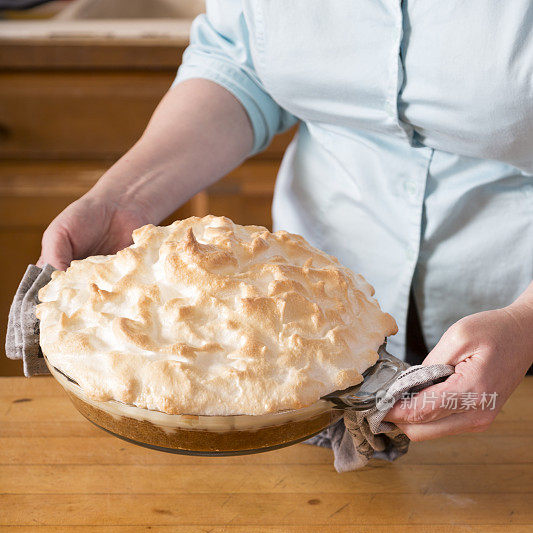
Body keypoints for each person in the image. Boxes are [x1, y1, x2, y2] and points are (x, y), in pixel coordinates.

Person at [37, 1, 533, 442]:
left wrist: (525, 324)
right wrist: (124, 199)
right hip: (300, 339)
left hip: (513, 317)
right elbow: (241, 62)